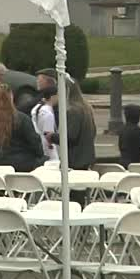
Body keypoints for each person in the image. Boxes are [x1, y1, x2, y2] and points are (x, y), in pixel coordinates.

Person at [47, 77, 97, 205]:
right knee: (80, 195)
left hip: (75, 159)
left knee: (74, 198)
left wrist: (52, 137)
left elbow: (70, 136)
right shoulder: (86, 108)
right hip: (85, 157)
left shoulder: (73, 111)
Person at [30, 86, 59, 162]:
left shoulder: (36, 108)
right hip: (47, 149)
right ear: (52, 97)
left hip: (39, 144)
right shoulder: (48, 114)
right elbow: (48, 136)